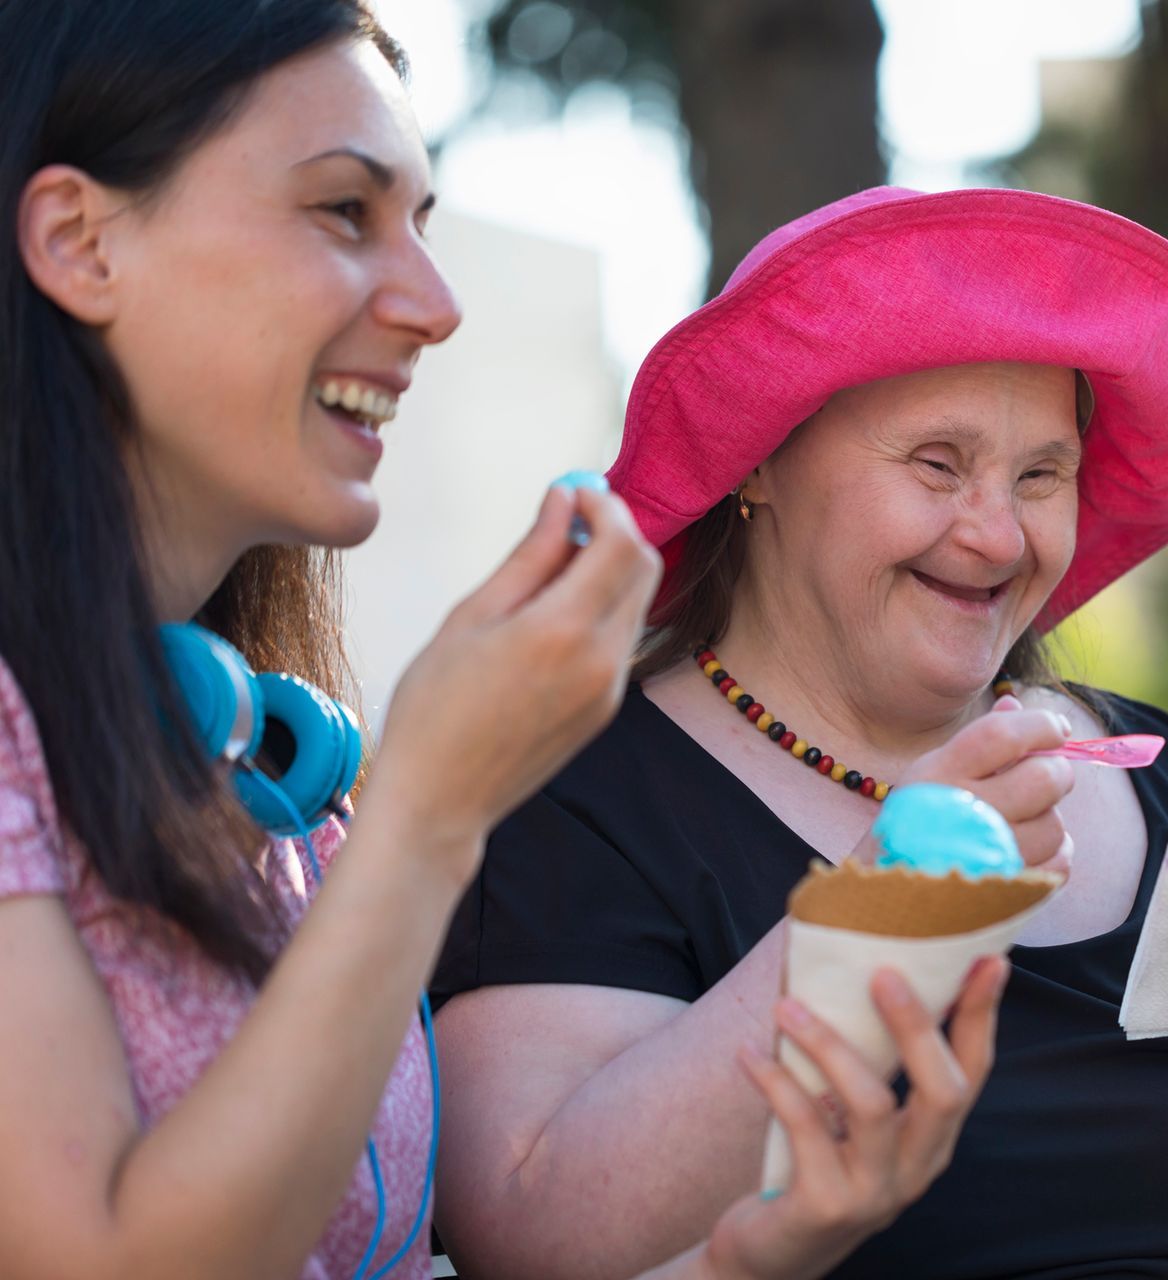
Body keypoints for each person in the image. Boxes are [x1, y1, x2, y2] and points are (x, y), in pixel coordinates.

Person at [0, 9, 998, 1279]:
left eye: (421, 221)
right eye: (343, 212)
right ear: (81, 242)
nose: (435, 302)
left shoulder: (279, 789)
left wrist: (751, 1258)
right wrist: (430, 813)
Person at [430, 186, 1168, 1279]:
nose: (996, 533)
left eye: (1042, 475)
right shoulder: (585, 803)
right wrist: (880, 912)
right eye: (936, 464)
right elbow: (533, 1233)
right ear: (758, 459)